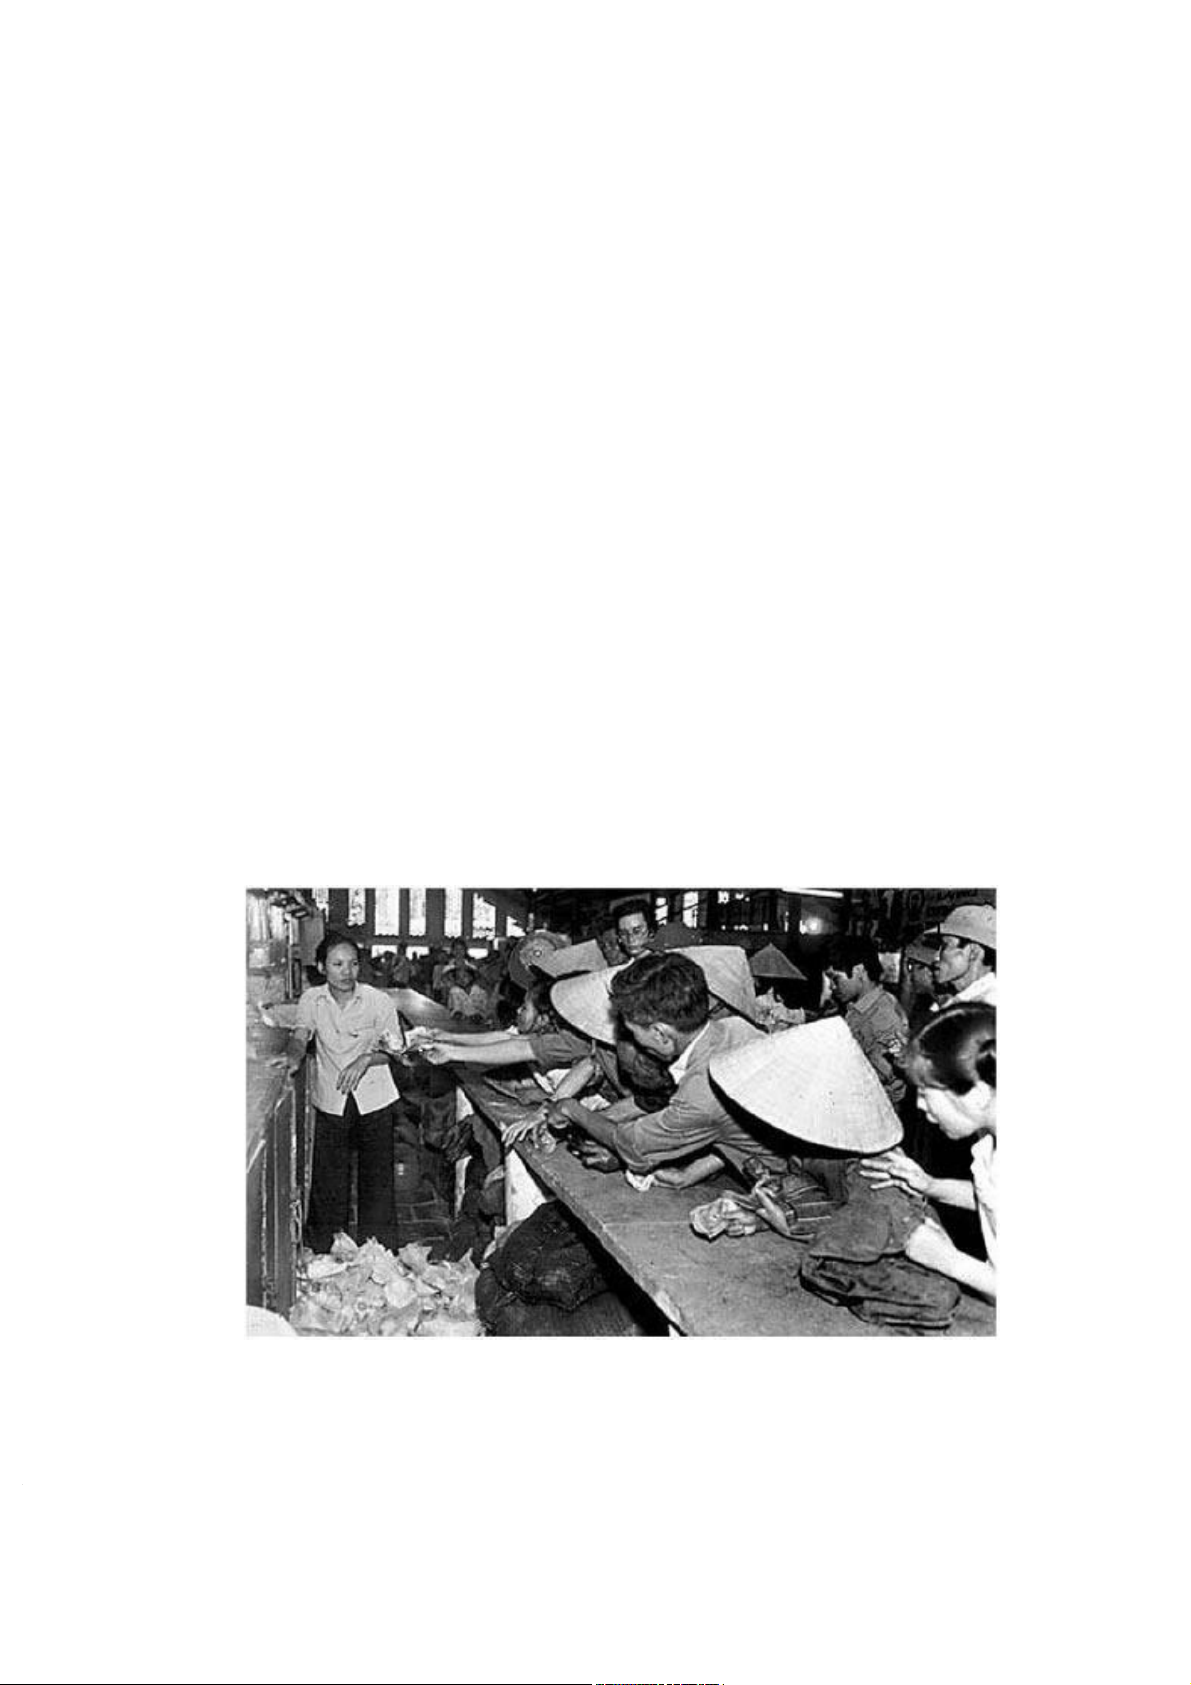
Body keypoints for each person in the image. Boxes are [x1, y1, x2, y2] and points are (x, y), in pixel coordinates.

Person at [549, 952, 784, 1188]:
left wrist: (569, 1108)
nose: (633, 1040)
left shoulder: (701, 1093)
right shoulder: (737, 1028)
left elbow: (631, 1145)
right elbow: (738, 1128)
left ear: (660, 1034)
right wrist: (690, 1174)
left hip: (781, 1186)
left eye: (633, 1032)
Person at [859, 1002, 996, 1298]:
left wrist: (950, 1261)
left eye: (925, 1092)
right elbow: (992, 1198)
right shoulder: (989, 1141)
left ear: (978, 1095)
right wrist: (930, 1185)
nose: (921, 1106)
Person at [283, 932, 404, 1253]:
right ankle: (326, 1251)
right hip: (332, 1097)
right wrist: (292, 1058)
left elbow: (397, 1050)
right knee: (329, 1180)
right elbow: (300, 1036)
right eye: (337, 964)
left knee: (377, 1180)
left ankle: (378, 1252)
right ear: (322, 967)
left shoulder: (378, 1001)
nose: (346, 972)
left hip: (374, 1098)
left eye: (352, 964)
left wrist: (366, 1059)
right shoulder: (312, 1000)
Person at [824, 936, 910, 1106]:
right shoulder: (857, 1008)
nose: (832, 987)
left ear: (859, 971)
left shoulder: (883, 1015)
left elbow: (897, 1074)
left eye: (836, 979)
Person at [930, 904, 997, 1007]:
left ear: (973, 952)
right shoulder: (962, 1000)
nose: (936, 957)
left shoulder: (990, 1002)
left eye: (945, 946)